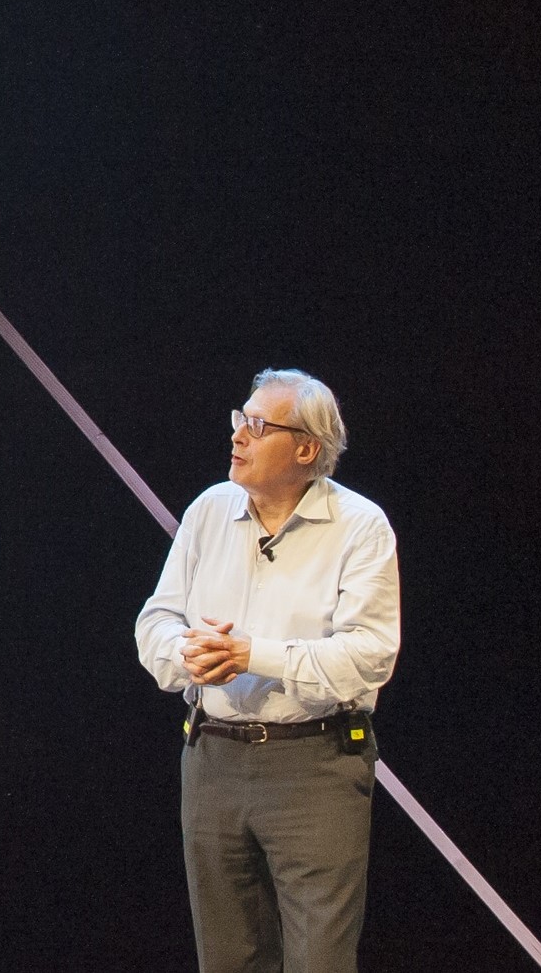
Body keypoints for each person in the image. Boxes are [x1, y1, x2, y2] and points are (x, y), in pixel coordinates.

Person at [135, 369, 400, 973]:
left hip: (314, 766)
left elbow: (369, 656)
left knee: (320, 961)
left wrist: (253, 655)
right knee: (228, 960)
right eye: (239, 421)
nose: (238, 437)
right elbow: (156, 622)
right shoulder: (209, 510)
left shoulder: (360, 527)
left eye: (257, 426)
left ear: (306, 449)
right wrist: (187, 654)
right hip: (212, 761)